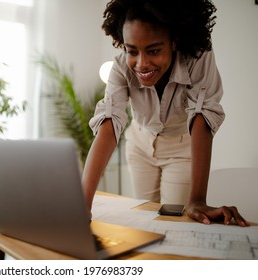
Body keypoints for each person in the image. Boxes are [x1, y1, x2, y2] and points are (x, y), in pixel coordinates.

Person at [82, 0, 249, 226]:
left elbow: (202, 115)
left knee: (174, 222)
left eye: (153, 51)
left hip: (181, 147)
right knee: (144, 219)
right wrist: (83, 204)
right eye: (132, 51)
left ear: (174, 41)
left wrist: (198, 200)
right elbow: (110, 122)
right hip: (139, 143)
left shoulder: (197, 56)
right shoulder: (120, 64)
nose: (141, 64)